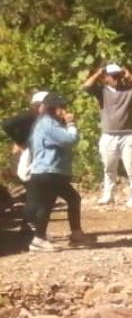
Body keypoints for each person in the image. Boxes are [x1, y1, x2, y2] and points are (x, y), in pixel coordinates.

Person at [79, 61, 132, 207]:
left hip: (127, 135)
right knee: (109, 167)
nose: (116, 79)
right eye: (113, 76)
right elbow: (86, 86)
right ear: (106, 78)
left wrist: (130, 76)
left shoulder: (130, 91)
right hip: (108, 135)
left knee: (131, 166)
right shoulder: (102, 92)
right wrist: (99, 73)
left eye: (118, 75)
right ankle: (108, 194)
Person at [24, 94, 86, 252]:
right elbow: (70, 140)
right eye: (61, 107)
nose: (64, 110)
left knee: (73, 198)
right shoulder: (47, 124)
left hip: (53, 171)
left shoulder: (51, 123)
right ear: (52, 108)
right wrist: (71, 124)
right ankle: (38, 239)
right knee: (46, 204)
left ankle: (76, 234)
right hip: (47, 170)